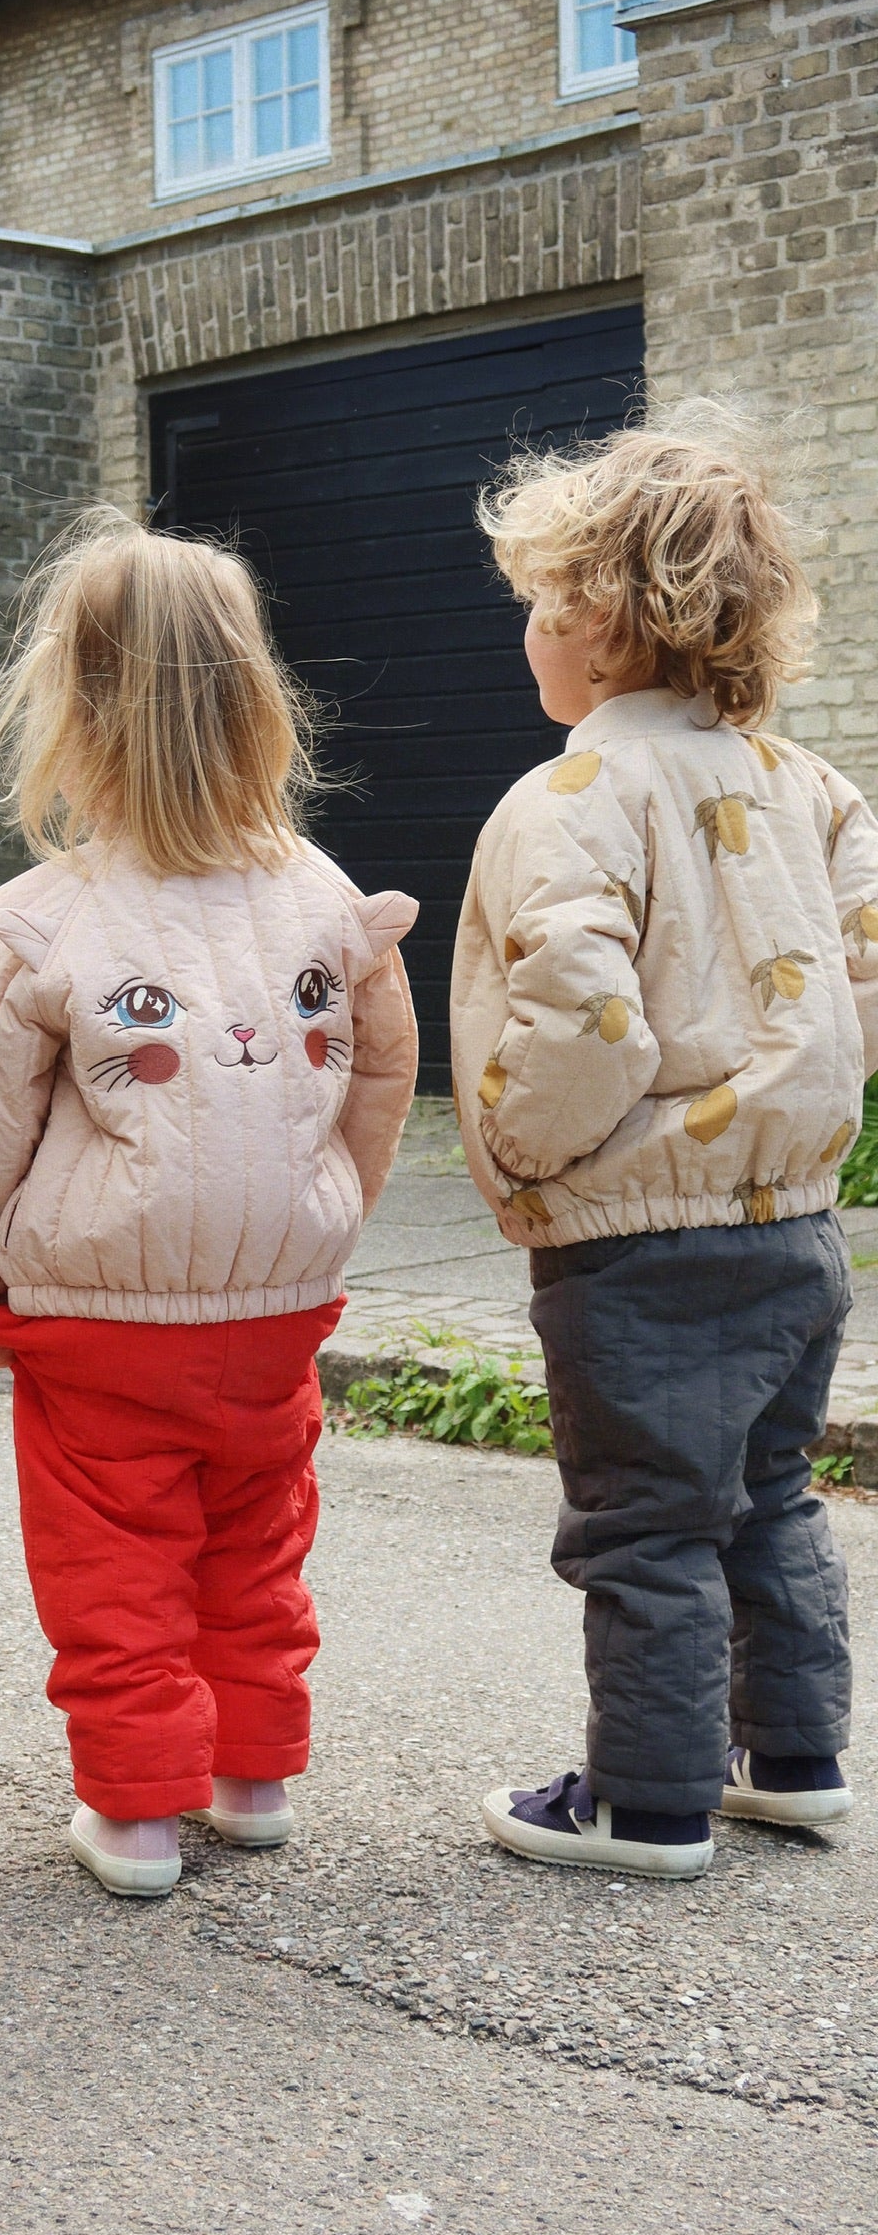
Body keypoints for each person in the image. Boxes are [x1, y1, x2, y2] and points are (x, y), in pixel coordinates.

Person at [0, 508, 418, 1898]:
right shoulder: (322, 893)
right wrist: (335, 1201)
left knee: (113, 1559)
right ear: (259, 703)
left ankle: (136, 1812)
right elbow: (383, 1069)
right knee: (258, 1538)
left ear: (73, 716)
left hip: (99, 1312)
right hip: (278, 1301)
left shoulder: (36, 920)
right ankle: (253, 1777)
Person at [451, 406, 876, 1878]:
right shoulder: (811, 787)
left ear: (601, 621)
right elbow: (863, 979)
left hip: (637, 1235)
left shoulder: (571, 797)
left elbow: (582, 1012)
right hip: (795, 1223)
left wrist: (522, 1151)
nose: (528, 636)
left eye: (538, 607)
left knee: (643, 1524)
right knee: (769, 1494)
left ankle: (647, 1803)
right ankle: (796, 1760)